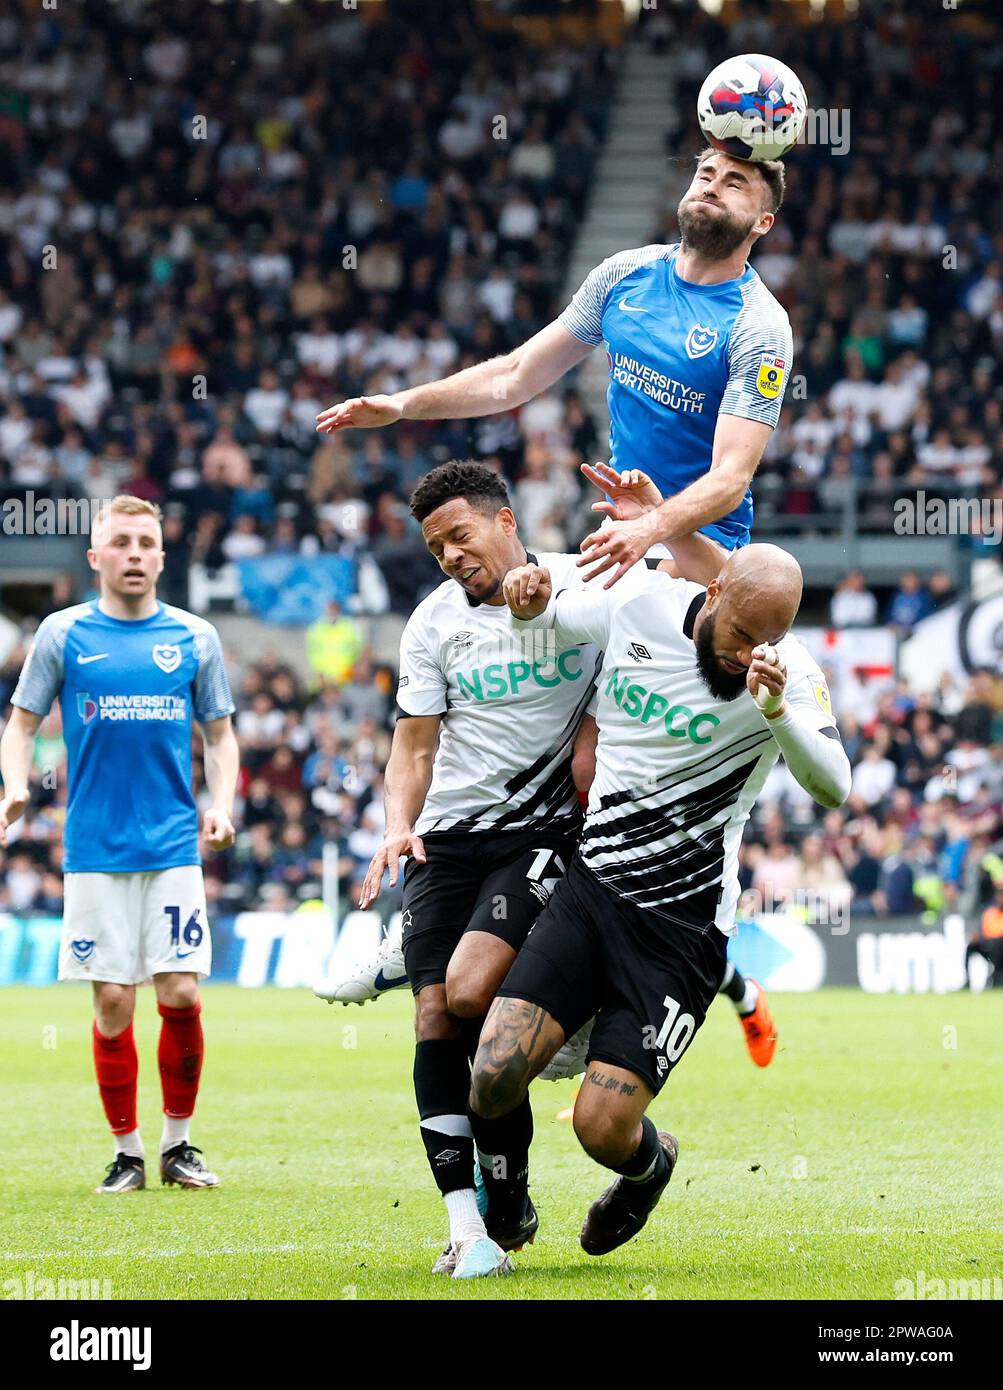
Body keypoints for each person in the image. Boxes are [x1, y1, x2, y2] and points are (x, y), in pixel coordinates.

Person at [318, 459, 724, 1280]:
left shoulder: (587, 578)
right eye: (436, 548)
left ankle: (541, 1047)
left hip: (537, 835)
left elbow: (717, 594)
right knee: (439, 1021)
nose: (450, 557)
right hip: (444, 840)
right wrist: (397, 826)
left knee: (467, 992)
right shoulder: (432, 623)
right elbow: (415, 741)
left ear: (506, 522)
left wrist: (660, 521)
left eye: (460, 536)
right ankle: (479, 1219)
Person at [467, 543, 850, 1259]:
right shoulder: (637, 604)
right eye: (738, 635)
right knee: (491, 1071)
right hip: (591, 895)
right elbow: (544, 615)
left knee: (599, 1129)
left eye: (763, 641)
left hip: (681, 932)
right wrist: (525, 602)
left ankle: (649, 1170)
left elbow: (832, 785)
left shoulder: (786, 672)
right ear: (712, 591)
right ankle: (508, 1201)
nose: (744, 656)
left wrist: (775, 714)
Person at [316, 148, 793, 584]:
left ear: (763, 222)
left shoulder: (760, 325)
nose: (711, 185)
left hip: (703, 551)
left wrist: (652, 526)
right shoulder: (625, 273)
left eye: (734, 183)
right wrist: (402, 404)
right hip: (624, 531)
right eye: (705, 174)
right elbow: (515, 375)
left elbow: (731, 477)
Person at [0, 495, 239, 1193]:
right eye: (122, 543)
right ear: (96, 556)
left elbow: (219, 736)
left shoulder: (195, 638)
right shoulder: (62, 635)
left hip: (171, 846)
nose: (134, 554)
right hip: (95, 849)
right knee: (113, 1002)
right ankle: (128, 1152)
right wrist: (15, 785)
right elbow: (19, 727)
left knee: (183, 993)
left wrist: (220, 806)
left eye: (146, 543)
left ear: (162, 557)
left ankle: (178, 1145)